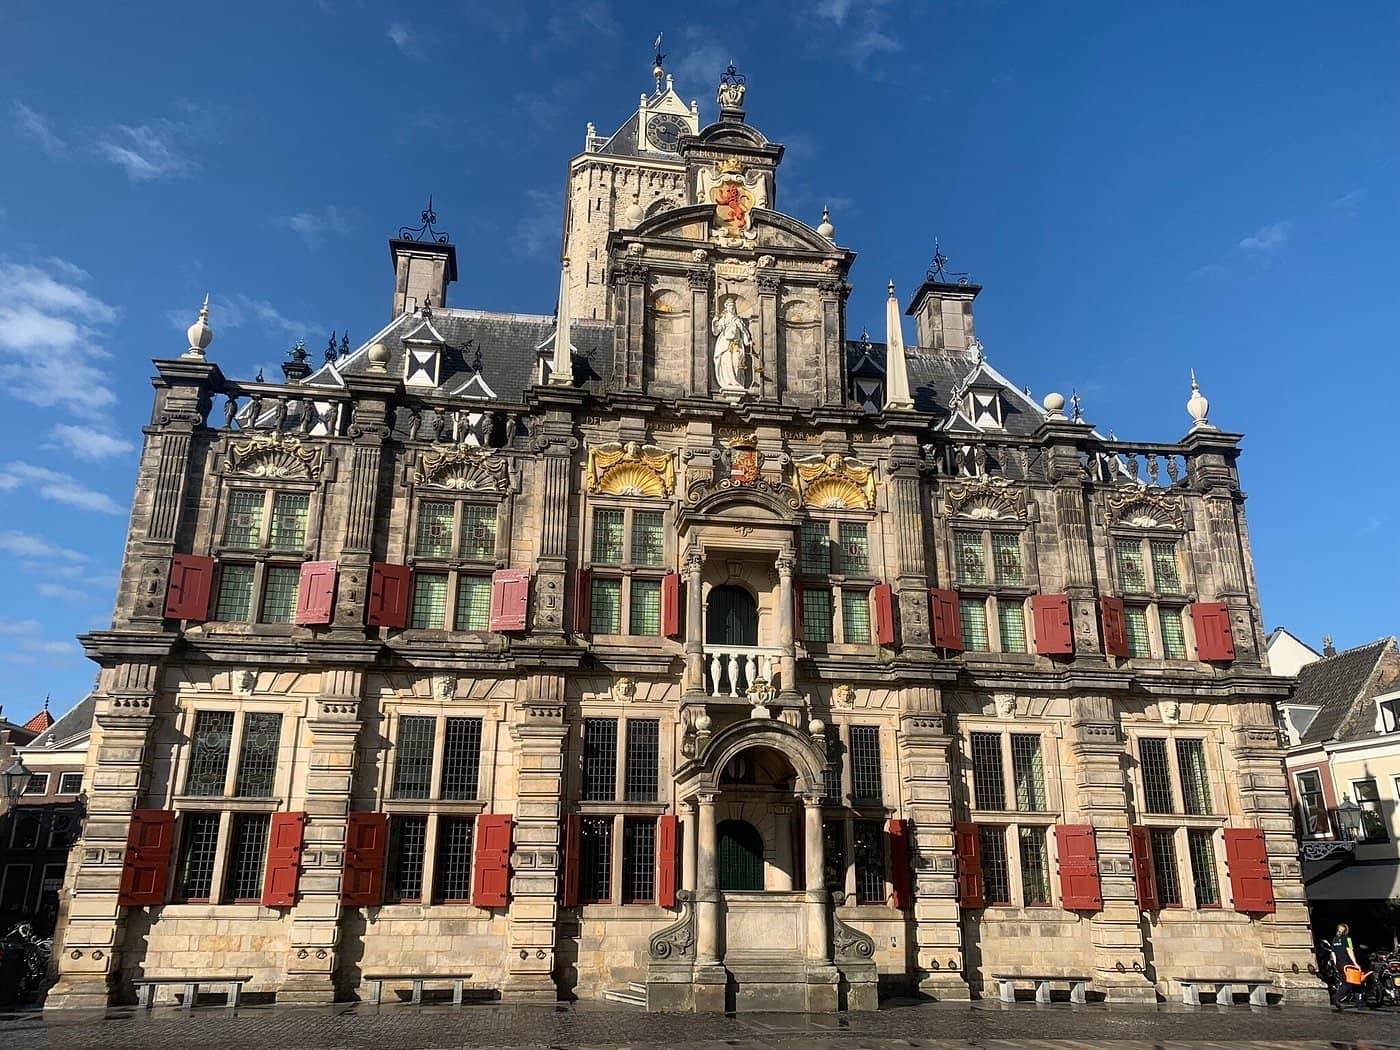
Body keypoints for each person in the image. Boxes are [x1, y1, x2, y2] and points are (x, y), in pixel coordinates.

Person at [1327, 923, 1364, 1010]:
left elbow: (1333, 953)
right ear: (1346, 931)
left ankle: (1359, 1003)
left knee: (1354, 982)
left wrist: (1336, 964)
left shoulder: (1334, 940)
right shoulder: (1348, 939)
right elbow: (1350, 951)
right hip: (1348, 964)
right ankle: (1336, 998)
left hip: (1339, 964)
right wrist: (1355, 963)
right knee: (1349, 983)